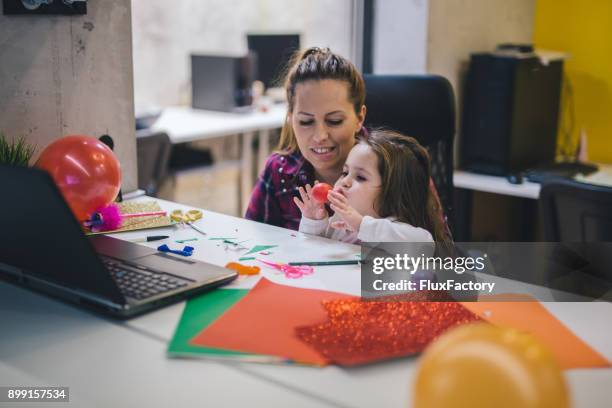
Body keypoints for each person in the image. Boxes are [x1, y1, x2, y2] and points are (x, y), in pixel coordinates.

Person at [245, 47, 448, 239]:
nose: (320, 136)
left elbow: (437, 249)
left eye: (334, 121)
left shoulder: (396, 165)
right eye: (306, 121)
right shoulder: (279, 171)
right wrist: (312, 222)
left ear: (359, 118)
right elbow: (252, 242)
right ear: (291, 119)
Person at [295, 130, 446, 244]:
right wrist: (313, 223)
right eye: (345, 172)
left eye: (360, 177)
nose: (345, 181)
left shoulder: (397, 230)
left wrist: (361, 225)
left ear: (392, 193)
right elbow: (312, 254)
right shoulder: (339, 222)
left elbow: (423, 244)